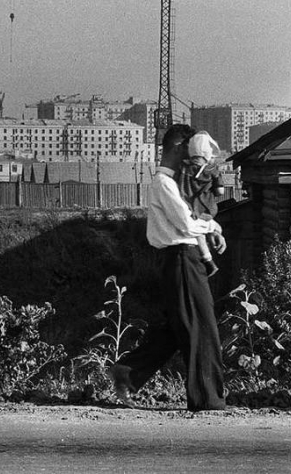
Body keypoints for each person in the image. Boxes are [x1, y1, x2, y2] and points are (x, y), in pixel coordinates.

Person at [108, 124, 228, 412]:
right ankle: (207, 400)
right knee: (201, 329)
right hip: (181, 259)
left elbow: (190, 219)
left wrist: (207, 250)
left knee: (178, 328)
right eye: (189, 149)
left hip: (185, 259)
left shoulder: (175, 183)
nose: (193, 157)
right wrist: (213, 225)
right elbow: (186, 224)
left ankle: (127, 372)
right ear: (178, 147)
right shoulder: (164, 183)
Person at [176, 130, 225, 277]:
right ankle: (209, 258)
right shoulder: (212, 170)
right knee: (213, 229)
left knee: (199, 233)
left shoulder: (183, 168)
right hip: (206, 208)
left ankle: (208, 260)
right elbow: (220, 191)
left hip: (189, 207)